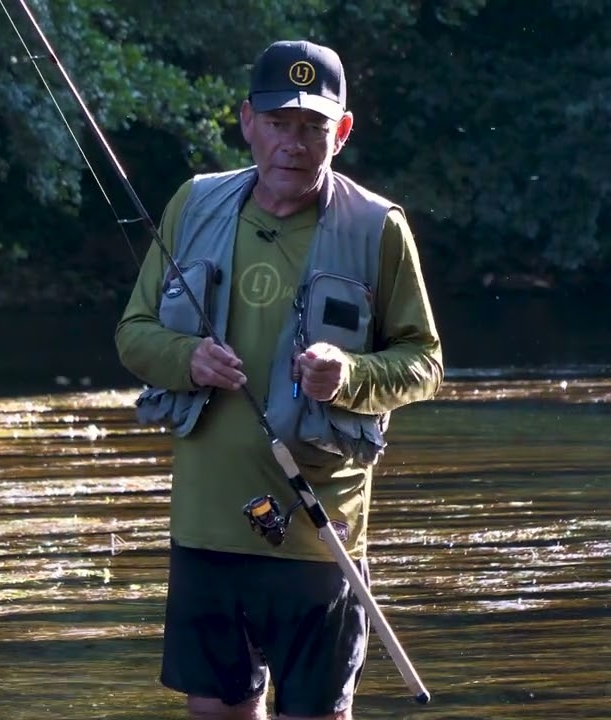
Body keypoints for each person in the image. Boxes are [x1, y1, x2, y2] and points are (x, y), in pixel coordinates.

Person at [113, 40, 444, 720]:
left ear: (341, 131)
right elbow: (133, 333)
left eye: (313, 126)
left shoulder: (379, 228)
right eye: (278, 123)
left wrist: (349, 373)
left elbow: (424, 363)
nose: (294, 143)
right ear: (247, 122)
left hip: (320, 538)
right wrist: (187, 358)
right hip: (206, 531)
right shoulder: (193, 205)